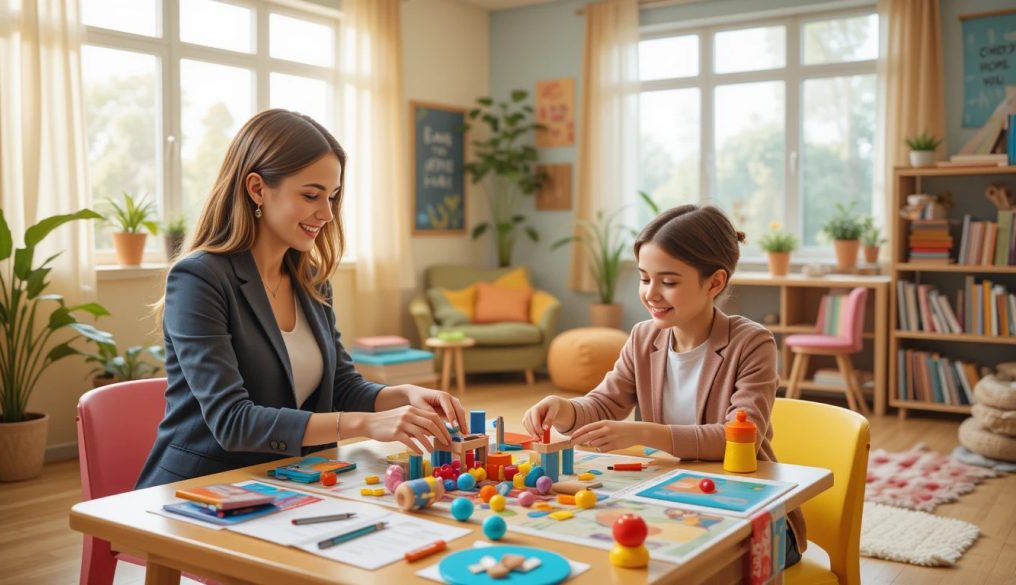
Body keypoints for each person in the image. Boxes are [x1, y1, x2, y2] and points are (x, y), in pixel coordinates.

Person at [137, 109, 466, 488]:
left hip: (286, 480)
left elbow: (341, 386)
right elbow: (232, 421)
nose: (326, 213)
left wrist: (400, 396)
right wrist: (364, 423)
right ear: (257, 188)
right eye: (311, 195)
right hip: (203, 490)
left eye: (333, 196)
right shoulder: (199, 278)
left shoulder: (311, 280)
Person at [521, 204, 804, 566]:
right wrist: (565, 409)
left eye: (668, 282)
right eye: (643, 278)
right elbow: (605, 404)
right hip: (671, 502)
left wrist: (645, 433)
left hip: (752, 524)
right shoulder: (643, 337)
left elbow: (737, 437)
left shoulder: (752, 343)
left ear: (714, 282)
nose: (651, 294)